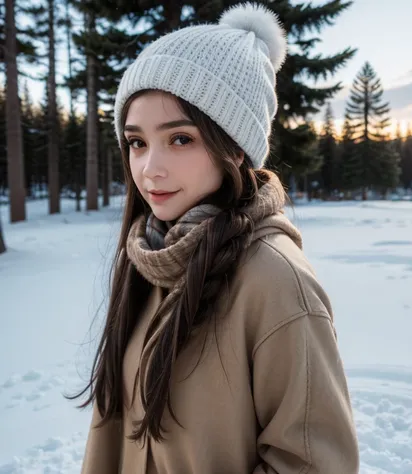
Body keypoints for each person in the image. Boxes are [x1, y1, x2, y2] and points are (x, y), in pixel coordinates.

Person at [77, 3, 359, 473]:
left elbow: (313, 463)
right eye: (137, 142)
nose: (150, 168)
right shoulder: (149, 256)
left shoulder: (274, 279)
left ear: (234, 146)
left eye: (180, 138)